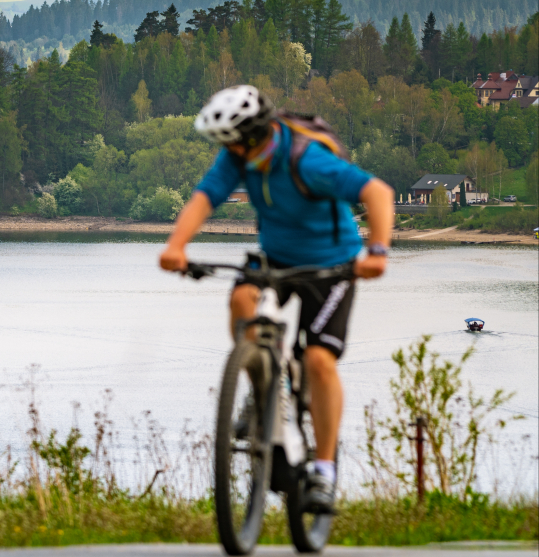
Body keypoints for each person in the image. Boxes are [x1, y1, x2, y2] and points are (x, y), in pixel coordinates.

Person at [159, 85, 394, 514]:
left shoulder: (306, 159)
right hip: (277, 259)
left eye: (230, 142)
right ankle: (261, 384)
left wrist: (376, 251)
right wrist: (176, 246)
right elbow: (205, 196)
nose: (226, 151)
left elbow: (377, 192)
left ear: (250, 138)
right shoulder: (238, 159)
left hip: (332, 266)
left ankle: (323, 472)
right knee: (242, 300)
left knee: (320, 361)